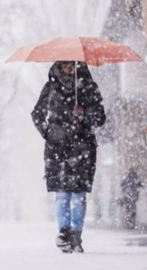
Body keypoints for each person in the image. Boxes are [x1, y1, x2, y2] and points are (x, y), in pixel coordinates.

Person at [31, 61, 106, 253]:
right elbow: (37, 113)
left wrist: (84, 114)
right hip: (58, 147)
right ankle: (64, 232)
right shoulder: (51, 88)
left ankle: (76, 235)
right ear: (59, 67)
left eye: (72, 66)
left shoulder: (89, 88)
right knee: (62, 194)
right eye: (65, 66)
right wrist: (49, 132)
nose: (69, 70)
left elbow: (100, 117)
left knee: (79, 194)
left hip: (83, 147)